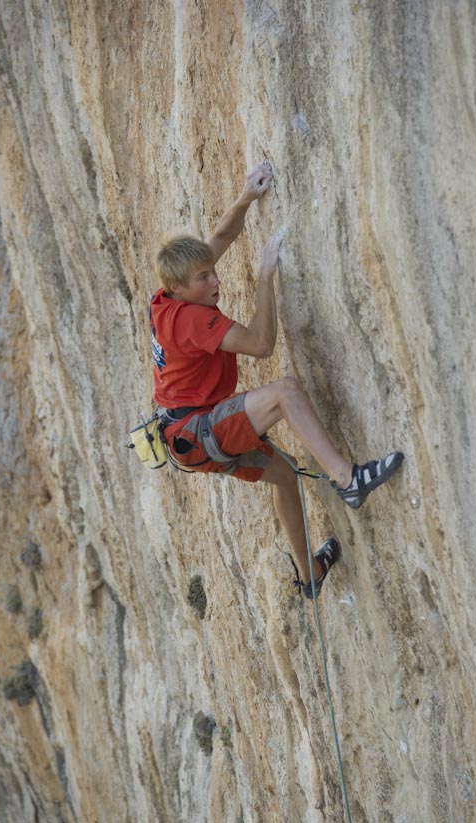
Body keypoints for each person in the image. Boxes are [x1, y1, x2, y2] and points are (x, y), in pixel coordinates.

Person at [149, 163, 403, 598]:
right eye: (204, 279)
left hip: (188, 438)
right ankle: (349, 481)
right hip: (198, 428)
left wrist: (246, 197)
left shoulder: (169, 296)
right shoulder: (189, 321)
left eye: (211, 271)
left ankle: (310, 574)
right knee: (285, 391)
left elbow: (221, 239)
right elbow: (261, 344)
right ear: (180, 287)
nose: (216, 280)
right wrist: (266, 277)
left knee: (284, 475)